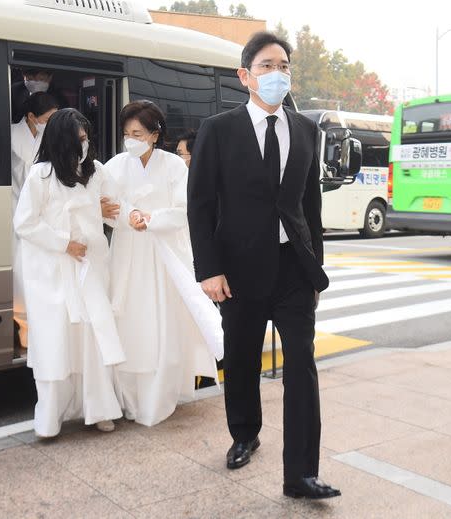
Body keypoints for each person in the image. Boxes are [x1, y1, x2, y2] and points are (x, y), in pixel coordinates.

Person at [187, 32, 340, 500]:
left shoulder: (307, 130)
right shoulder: (218, 129)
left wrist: (316, 268)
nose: (279, 74)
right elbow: (200, 205)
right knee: (242, 356)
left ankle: (300, 474)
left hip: (294, 268)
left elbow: (310, 207)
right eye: (268, 65)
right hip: (237, 269)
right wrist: (209, 270)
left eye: (285, 66)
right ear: (245, 75)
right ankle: (244, 433)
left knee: (302, 365)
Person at [105, 100, 221, 427]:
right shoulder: (115, 165)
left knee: (162, 322)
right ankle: (128, 396)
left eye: (138, 133)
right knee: (130, 320)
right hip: (128, 252)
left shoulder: (173, 166)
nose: (131, 139)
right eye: (127, 133)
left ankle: (161, 396)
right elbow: (110, 207)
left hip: (164, 253)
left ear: (155, 135)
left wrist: (151, 218)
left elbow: (185, 209)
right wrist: (129, 216)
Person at [13, 108, 125, 436]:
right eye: (78, 139)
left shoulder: (97, 171)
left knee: (93, 339)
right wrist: (64, 242)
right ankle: (50, 418)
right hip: (53, 274)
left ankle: (100, 408)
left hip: (89, 270)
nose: (84, 144)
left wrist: (103, 212)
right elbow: (25, 223)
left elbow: (113, 209)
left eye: (86, 137)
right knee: (55, 342)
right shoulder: (41, 175)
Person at [11, 92, 59, 348]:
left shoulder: (50, 137)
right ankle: (25, 327)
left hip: (44, 211)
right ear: (31, 117)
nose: (53, 122)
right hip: (15, 205)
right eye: (49, 118)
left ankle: (38, 326)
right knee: (19, 270)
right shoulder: (10, 135)